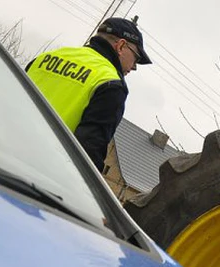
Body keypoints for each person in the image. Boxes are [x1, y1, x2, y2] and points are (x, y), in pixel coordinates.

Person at [26, 17, 151, 170]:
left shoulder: (45, 58)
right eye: (136, 58)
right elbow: (87, 154)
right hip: (37, 175)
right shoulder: (111, 84)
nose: (133, 67)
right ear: (121, 46)